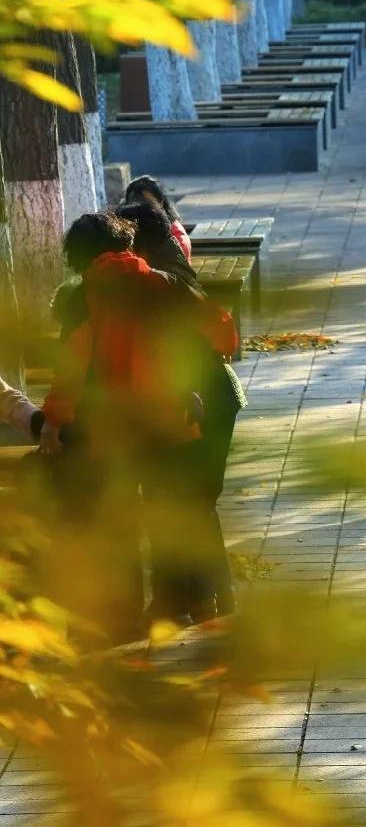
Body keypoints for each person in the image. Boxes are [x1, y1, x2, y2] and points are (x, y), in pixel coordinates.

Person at [43, 211, 238, 634]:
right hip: (170, 419)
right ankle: (186, 604)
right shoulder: (167, 284)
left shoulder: (81, 298)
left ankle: (123, 616)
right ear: (126, 243)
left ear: (77, 256)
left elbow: (72, 367)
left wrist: (53, 420)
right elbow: (223, 331)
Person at [115, 201, 242, 622]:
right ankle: (207, 600)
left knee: (190, 501)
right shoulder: (170, 273)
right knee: (193, 501)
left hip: (203, 400)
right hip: (207, 397)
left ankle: (200, 601)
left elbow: (220, 338)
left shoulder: (162, 281)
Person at [124, 174, 192, 261]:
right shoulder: (124, 232)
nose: (141, 209)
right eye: (135, 204)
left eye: (147, 204)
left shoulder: (176, 238)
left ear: (161, 203)